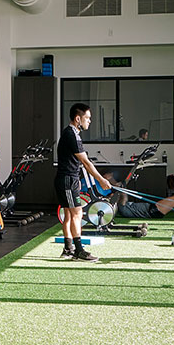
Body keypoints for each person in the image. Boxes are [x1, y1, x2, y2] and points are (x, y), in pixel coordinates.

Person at [56, 103, 114, 262]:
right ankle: (79, 251)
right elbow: (86, 162)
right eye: (87, 118)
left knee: (69, 214)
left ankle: (69, 248)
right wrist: (101, 180)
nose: (89, 121)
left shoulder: (70, 133)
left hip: (67, 179)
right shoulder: (72, 135)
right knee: (77, 213)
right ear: (77, 118)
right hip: (68, 180)